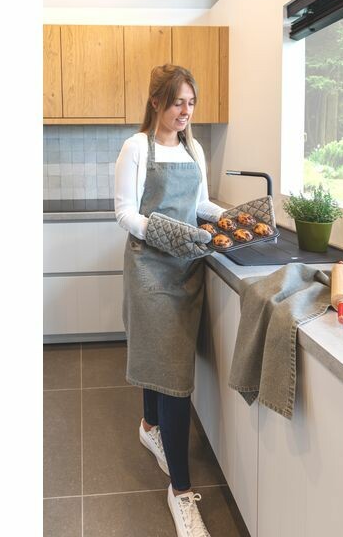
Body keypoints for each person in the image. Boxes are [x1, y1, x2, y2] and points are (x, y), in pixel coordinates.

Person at [114, 64, 225, 537]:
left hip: (187, 270)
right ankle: (180, 491)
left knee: (163, 362)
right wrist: (169, 233)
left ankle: (149, 426)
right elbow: (124, 213)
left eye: (191, 102)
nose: (186, 111)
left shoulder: (193, 149)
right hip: (150, 270)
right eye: (178, 101)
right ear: (157, 101)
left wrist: (232, 218)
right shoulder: (136, 148)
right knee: (176, 377)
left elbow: (199, 205)